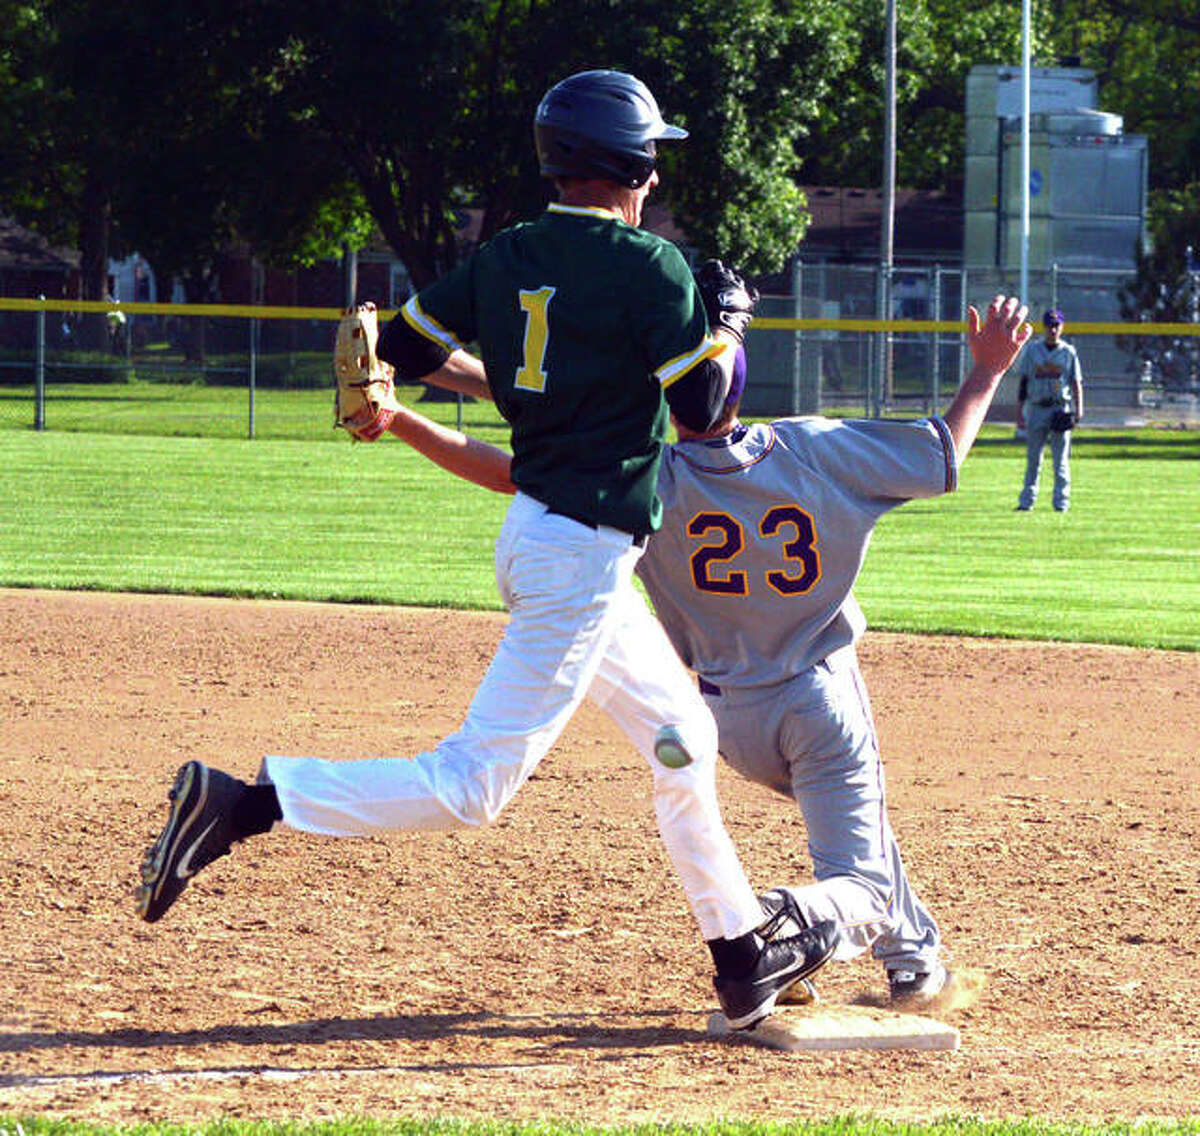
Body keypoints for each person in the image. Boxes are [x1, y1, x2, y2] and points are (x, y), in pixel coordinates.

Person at [135, 69, 838, 1033]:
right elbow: (706, 415)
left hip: (554, 545)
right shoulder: (651, 268)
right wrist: (726, 325)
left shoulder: (509, 254)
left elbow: (414, 347)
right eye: (652, 160)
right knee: (473, 788)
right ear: (634, 166)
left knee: (685, 741)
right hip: (579, 560)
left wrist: (468, 388)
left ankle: (738, 951)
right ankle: (246, 804)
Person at [374, 286, 1032, 1006]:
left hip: (726, 718)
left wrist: (399, 414)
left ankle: (915, 960)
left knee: (858, 829)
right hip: (819, 702)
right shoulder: (811, 448)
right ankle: (782, 926)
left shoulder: (645, 479)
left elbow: (508, 467)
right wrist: (989, 370)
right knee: (858, 875)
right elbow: (945, 453)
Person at [1015, 308, 1084, 512]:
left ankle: (1061, 503)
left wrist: (1079, 409)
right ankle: (1027, 502)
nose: (1053, 329)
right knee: (1033, 459)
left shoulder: (1068, 352)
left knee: (1060, 460)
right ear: (1044, 327)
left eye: (1057, 325)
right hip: (1037, 408)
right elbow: (1024, 382)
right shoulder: (1032, 350)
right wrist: (1019, 412)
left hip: (1059, 408)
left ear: (1062, 327)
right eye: (1050, 325)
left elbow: (1076, 382)